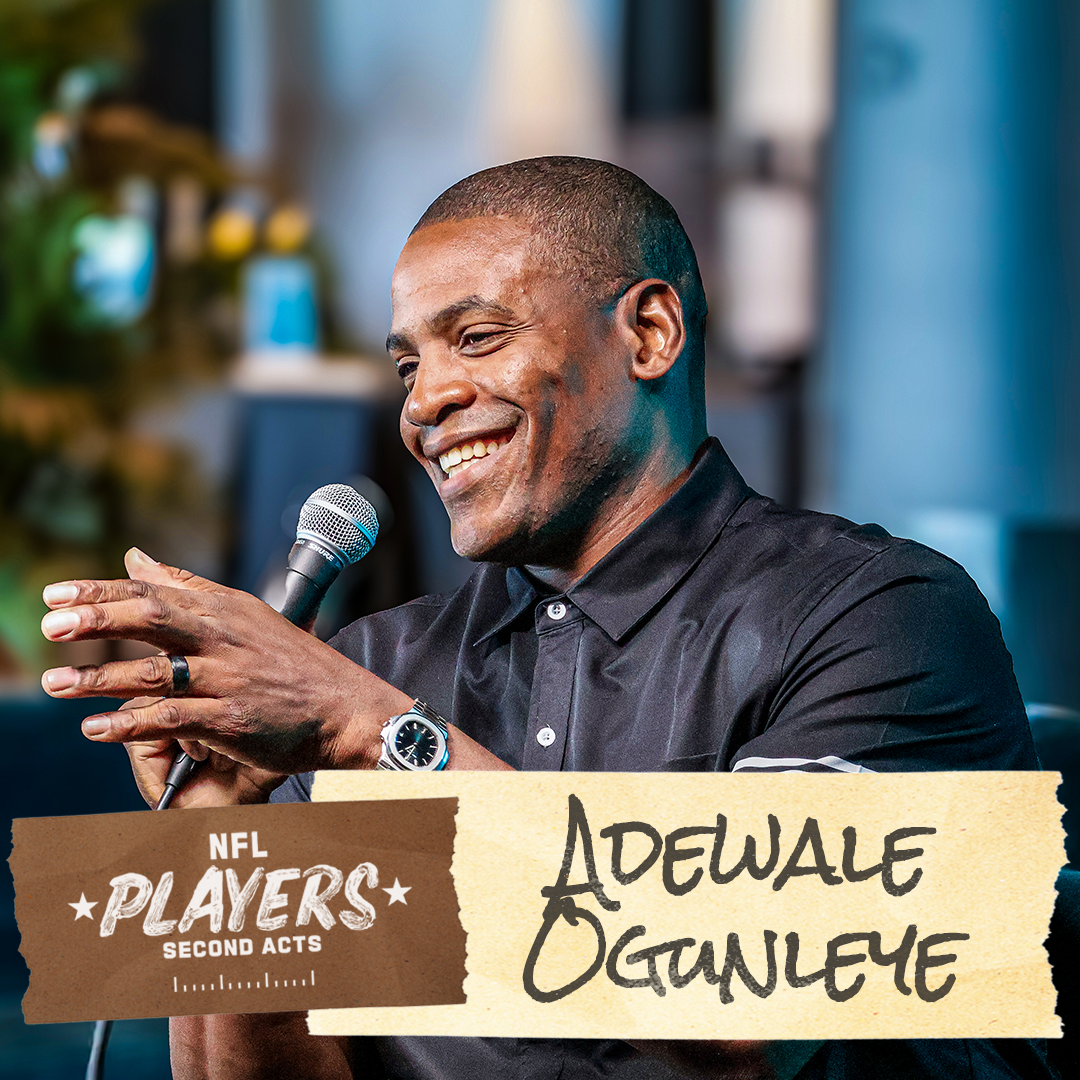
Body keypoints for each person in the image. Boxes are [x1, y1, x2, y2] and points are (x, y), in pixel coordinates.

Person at [40, 158, 1054, 1079]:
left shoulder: (881, 615)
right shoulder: (380, 656)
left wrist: (374, 735)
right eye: (407, 365)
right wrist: (222, 838)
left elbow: (755, 1009)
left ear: (649, 334)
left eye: (476, 338)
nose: (424, 403)